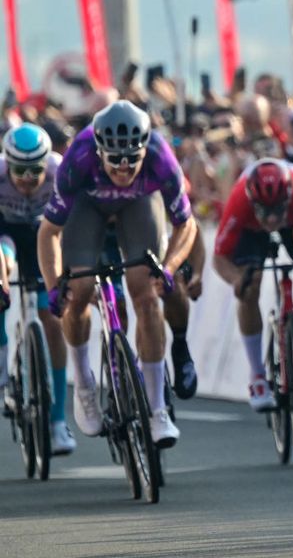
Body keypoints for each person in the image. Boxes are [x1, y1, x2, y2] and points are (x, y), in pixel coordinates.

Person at [37, 100, 197, 448]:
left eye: (132, 163)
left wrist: (168, 269)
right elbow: (48, 232)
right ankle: (84, 385)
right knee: (77, 291)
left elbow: (186, 224)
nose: (124, 170)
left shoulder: (160, 156)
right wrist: (53, 286)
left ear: (144, 151)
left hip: (140, 205)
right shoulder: (78, 159)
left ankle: (157, 410)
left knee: (147, 295)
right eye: (115, 162)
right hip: (87, 206)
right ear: (99, 152)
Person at [213, 158, 293, 412]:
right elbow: (219, 258)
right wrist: (236, 279)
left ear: (287, 198)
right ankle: (257, 376)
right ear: (253, 202)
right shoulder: (239, 203)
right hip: (251, 231)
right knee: (248, 287)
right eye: (266, 211)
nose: (273, 219)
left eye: (278, 210)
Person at [0, 124, 75, 454]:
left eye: (35, 171)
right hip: (6, 235)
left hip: (44, 238)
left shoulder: (61, 172)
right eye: (20, 170)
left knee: (53, 320)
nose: (28, 179)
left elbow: (72, 228)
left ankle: (58, 421)